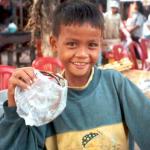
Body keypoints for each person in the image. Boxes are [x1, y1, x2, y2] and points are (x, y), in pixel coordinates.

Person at [0, 0, 150, 149]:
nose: (82, 54)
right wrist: (14, 110)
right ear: (54, 44)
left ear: (100, 44)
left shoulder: (116, 84)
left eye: (92, 45)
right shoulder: (46, 98)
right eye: (72, 44)